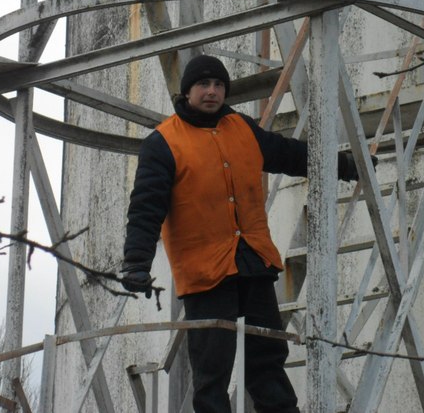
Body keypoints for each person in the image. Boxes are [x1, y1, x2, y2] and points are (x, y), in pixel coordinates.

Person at [121, 54, 362, 413]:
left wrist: (345, 165)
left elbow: (291, 155)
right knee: (212, 370)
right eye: (204, 84)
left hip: (253, 262)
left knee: (268, 358)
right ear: (187, 91)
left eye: (219, 85)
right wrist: (136, 263)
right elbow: (146, 207)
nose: (212, 91)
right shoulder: (164, 142)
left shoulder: (241, 128)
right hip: (206, 273)